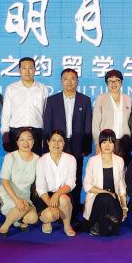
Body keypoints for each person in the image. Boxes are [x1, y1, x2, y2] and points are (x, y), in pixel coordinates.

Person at [42, 68, 92, 215]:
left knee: (74, 178)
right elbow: (47, 125)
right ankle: (54, 211)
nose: (69, 82)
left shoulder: (85, 100)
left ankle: (73, 212)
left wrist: (86, 146)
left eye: (72, 79)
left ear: (77, 81)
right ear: (61, 81)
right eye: (65, 79)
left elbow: (87, 126)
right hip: (57, 144)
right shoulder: (52, 100)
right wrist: (47, 146)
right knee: (54, 176)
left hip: (77, 145)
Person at [82, 129, 128, 236]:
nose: (107, 145)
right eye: (104, 142)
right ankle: (99, 222)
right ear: (100, 144)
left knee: (111, 231)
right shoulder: (93, 161)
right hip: (96, 200)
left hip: (114, 200)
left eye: (110, 142)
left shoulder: (119, 161)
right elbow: (87, 186)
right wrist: (107, 193)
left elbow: (122, 187)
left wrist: (124, 207)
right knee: (104, 197)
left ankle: (101, 224)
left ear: (114, 144)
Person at [0, 129, 40, 236]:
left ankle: (16, 218)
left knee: (33, 218)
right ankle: (5, 226)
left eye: (29, 139)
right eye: (22, 140)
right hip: (8, 195)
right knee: (23, 206)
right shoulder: (10, 157)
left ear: (33, 142)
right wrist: (16, 200)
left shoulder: (38, 159)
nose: (26, 143)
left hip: (24, 197)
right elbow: (4, 181)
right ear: (17, 142)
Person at [0, 57, 47, 154]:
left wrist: (46, 135)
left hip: (36, 132)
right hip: (15, 132)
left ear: (35, 70)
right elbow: (6, 113)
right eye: (24, 68)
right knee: (16, 161)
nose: (27, 71)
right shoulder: (11, 88)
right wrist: (5, 134)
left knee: (36, 161)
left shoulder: (42, 88)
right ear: (19, 70)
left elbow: (45, 113)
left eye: (30, 68)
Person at [36, 130, 78, 236]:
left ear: (64, 143)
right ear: (48, 142)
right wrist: (52, 205)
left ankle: (67, 225)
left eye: (60, 141)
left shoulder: (71, 159)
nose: (56, 144)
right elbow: (40, 188)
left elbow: (70, 183)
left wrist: (57, 194)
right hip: (45, 196)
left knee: (64, 199)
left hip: (63, 193)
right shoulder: (41, 160)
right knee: (49, 216)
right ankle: (46, 222)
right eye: (53, 140)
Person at [92, 70, 132, 156]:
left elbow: (131, 123)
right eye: (110, 81)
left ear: (121, 82)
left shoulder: (128, 99)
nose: (113, 83)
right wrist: (97, 143)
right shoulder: (101, 99)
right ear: (107, 83)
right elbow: (95, 124)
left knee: (124, 164)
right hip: (107, 142)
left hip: (124, 142)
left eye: (117, 80)